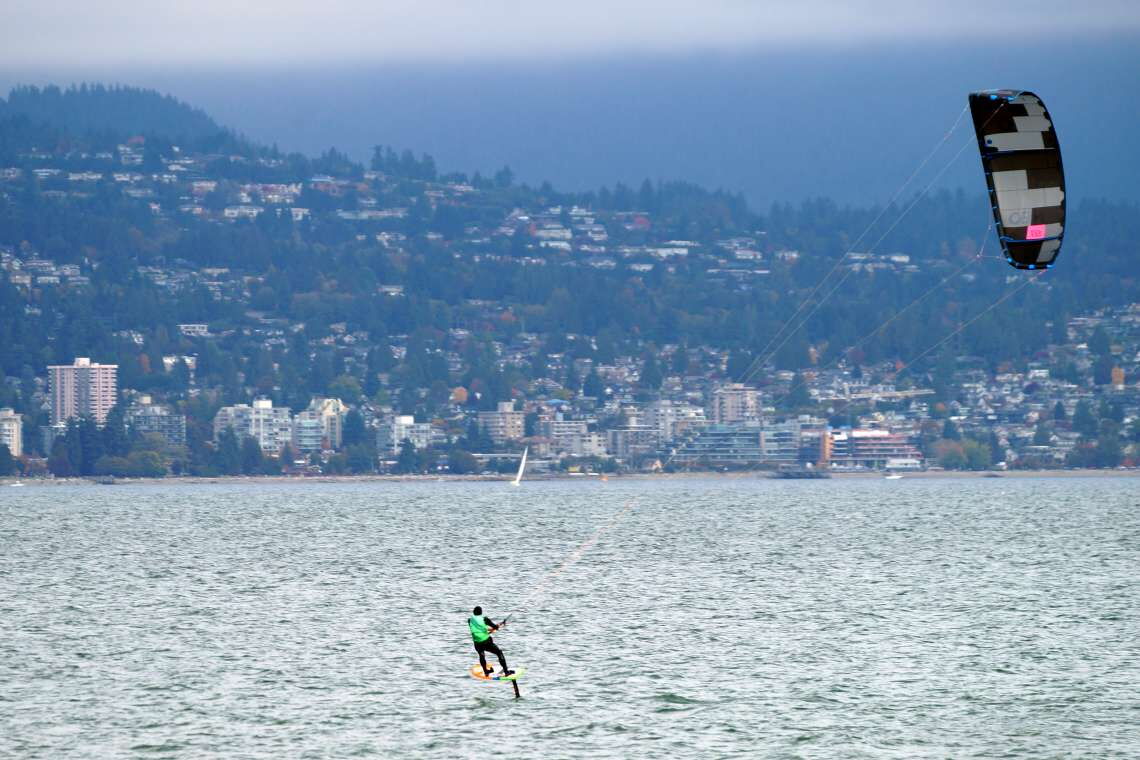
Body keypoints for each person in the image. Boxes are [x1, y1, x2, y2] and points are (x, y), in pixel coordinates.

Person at [468, 605, 512, 676]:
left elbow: (479, 628)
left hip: (477, 643)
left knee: (481, 655)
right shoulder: (484, 619)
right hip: (486, 642)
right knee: (499, 652)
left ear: (473, 612)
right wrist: (499, 625)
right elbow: (495, 627)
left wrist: (492, 629)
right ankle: (506, 672)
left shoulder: (469, 620)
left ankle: (486, 671)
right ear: (481, 613)